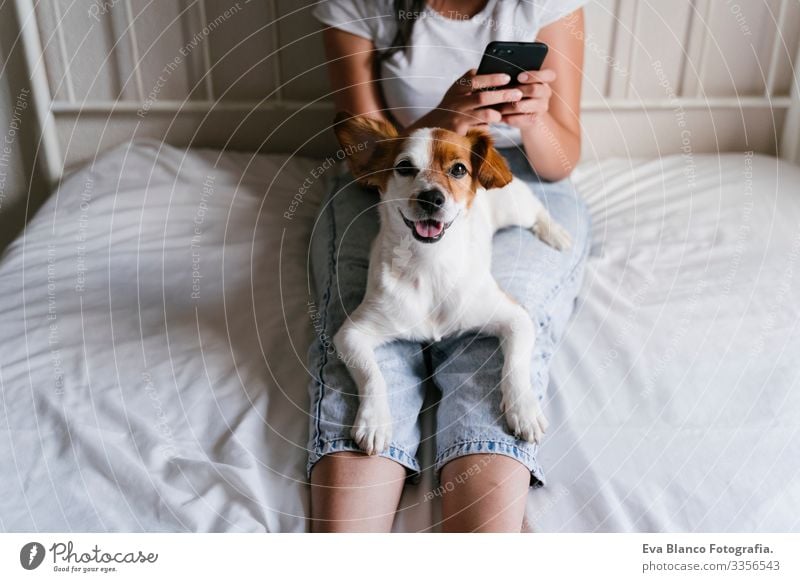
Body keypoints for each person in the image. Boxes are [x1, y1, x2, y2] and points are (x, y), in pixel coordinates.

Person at [306, 0, 591, 532]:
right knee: (370, 348)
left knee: (489, 350)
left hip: (522, 173)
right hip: (391, 175)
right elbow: (363, 150)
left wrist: (534, 122)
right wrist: (444, 118)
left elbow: (562, 157)